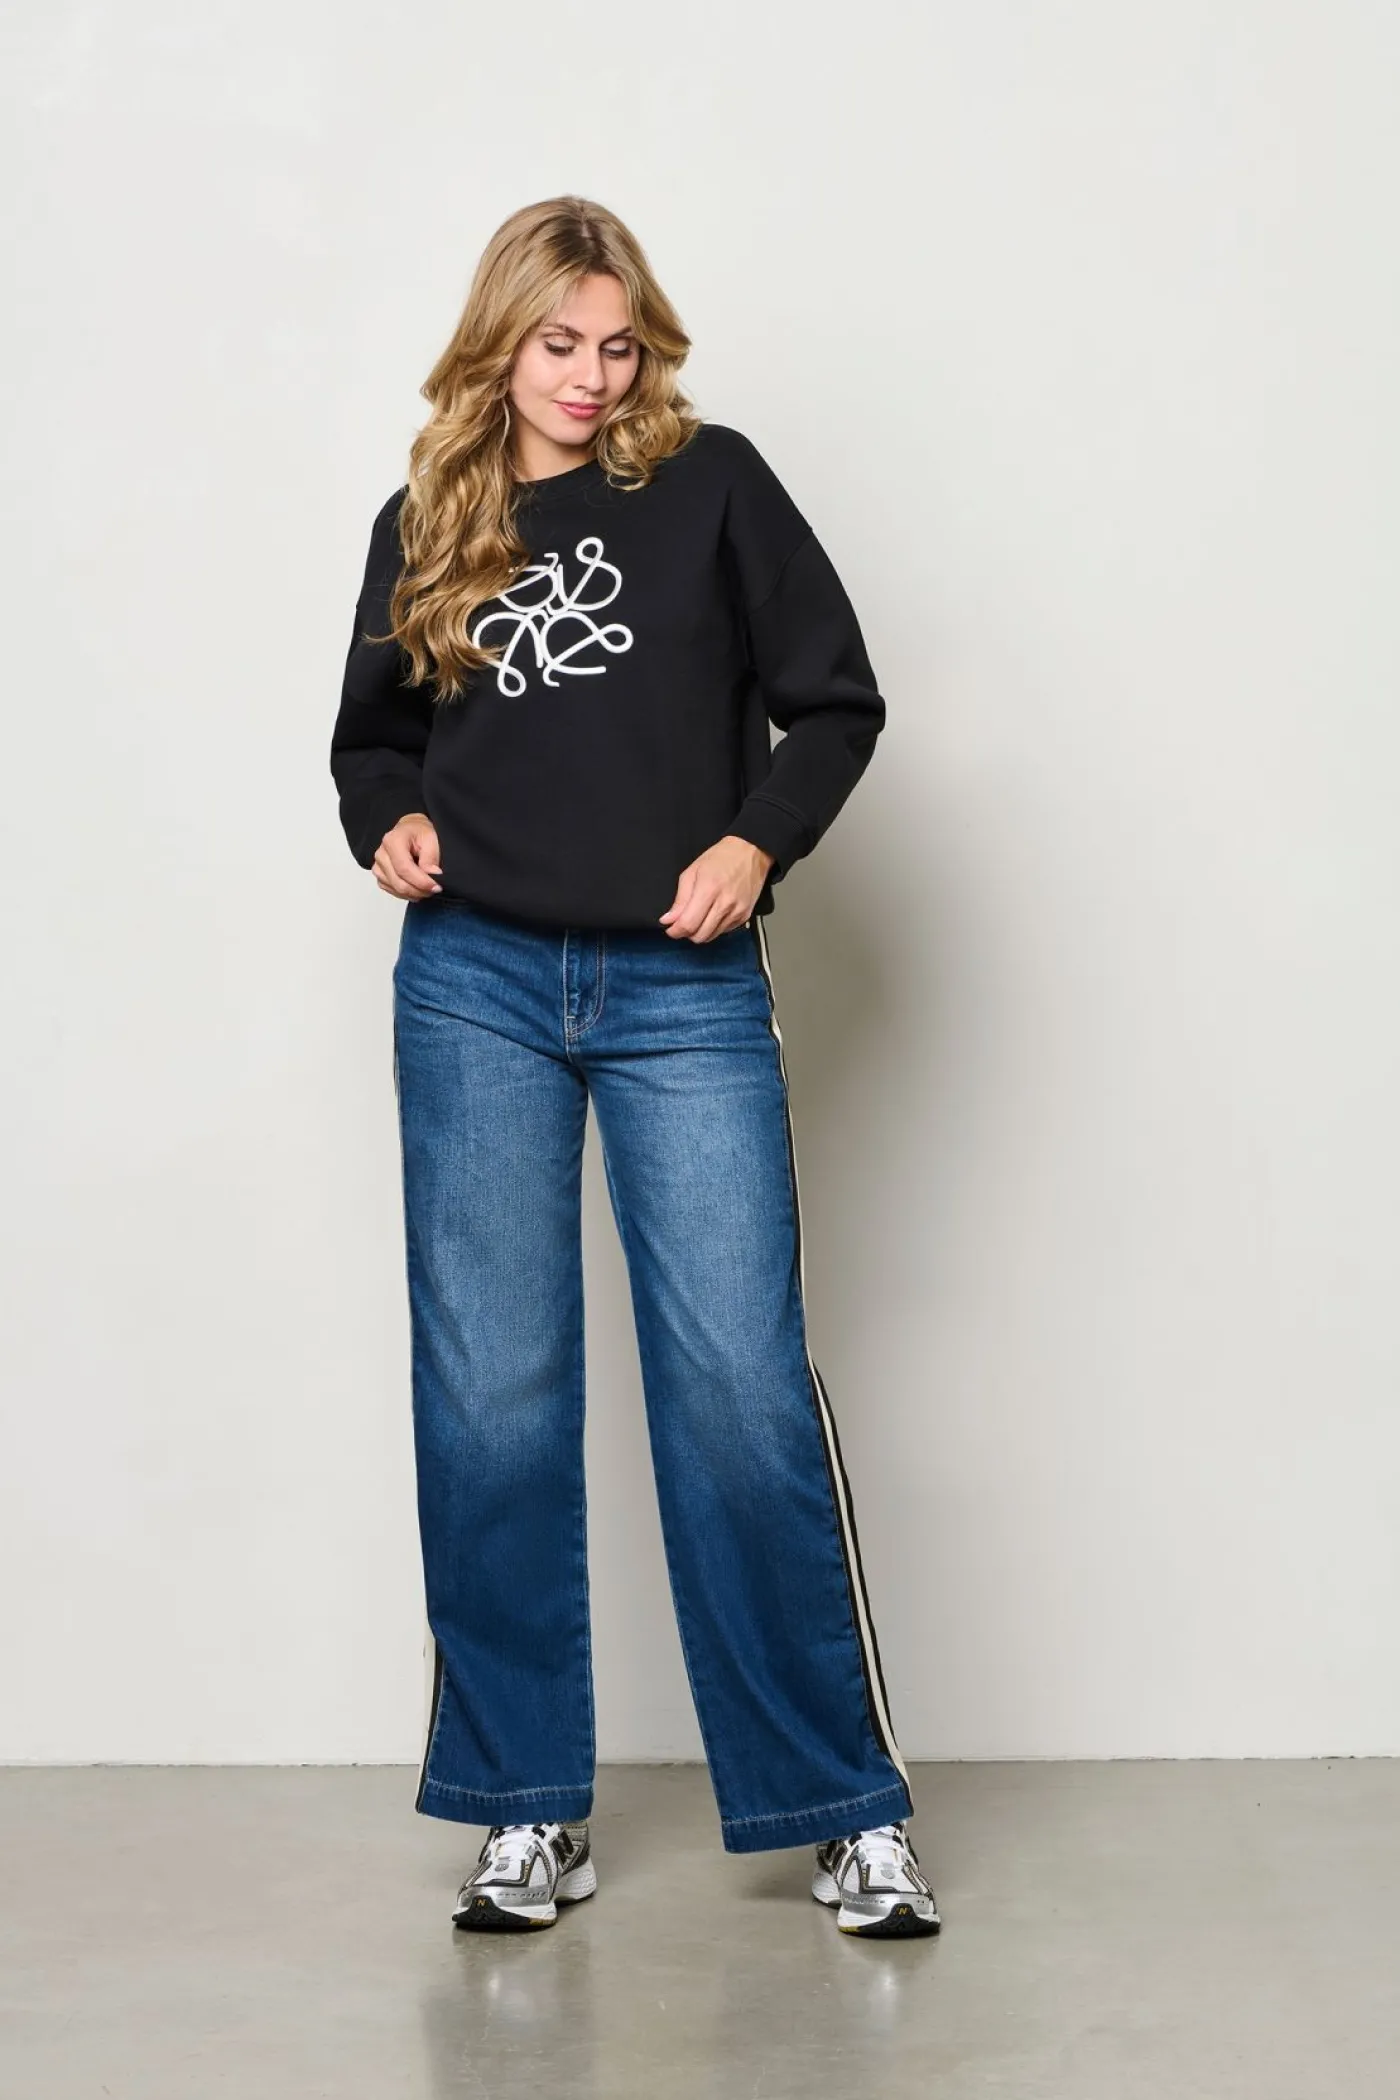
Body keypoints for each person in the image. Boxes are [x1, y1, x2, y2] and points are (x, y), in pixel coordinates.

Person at [329, 195, 940, 1940]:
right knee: (495, 1396)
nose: (591, 378)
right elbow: (371, 742)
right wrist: (391, 819)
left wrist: (754, 844)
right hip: (475, 983)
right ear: (499, 344)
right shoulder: (427, 516)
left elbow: (836, 704)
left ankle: (843, 1809)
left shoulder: (713, 487)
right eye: (558, 345)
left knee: (740, 1390)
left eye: (618, 346)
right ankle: (526, 1806)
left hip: (682, 987)